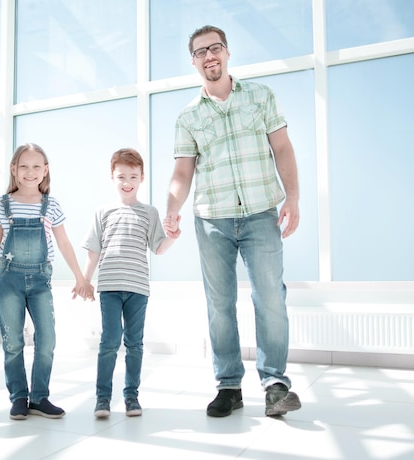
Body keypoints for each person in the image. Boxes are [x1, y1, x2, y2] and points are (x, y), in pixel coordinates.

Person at [164, 25, 302, 418]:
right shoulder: (188, 116)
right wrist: (171, 208)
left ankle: (275, 385)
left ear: (227, 52)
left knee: (270, 297)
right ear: (193, 61)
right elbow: (182, 173)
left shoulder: (260, 97)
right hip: (212, 220)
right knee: (219, 304)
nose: (209, 56)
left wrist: (292, 197)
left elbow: (283, 148)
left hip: (261, 212)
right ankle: (228, 386)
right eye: (200, 52)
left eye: (215, 48)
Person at [0, 143, 93, 421]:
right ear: (14, 170)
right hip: (9, 280)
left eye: (36, 166)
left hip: (40, 280)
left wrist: (81, 277)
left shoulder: (51, 205)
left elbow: (65, 243)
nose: (30, 172)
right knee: (13, 341)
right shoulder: (2, 204)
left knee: (47, 340)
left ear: (45, 171)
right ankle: (19, 397)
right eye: (24, 166)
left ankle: (39, 397)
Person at [82, 148, 178, 419]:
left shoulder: (149, 213)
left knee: (135, 344)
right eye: (121, 176)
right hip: (110, 288)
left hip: (138, 289)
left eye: (133, 176)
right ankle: (102, 399)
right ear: (112, 177)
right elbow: (93, 251)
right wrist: (85, 281)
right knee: (109, 341)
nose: (127, 182)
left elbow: (159, 248)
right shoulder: (103, 212)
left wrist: (173, 236)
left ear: (142, 177)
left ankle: (131, 397)